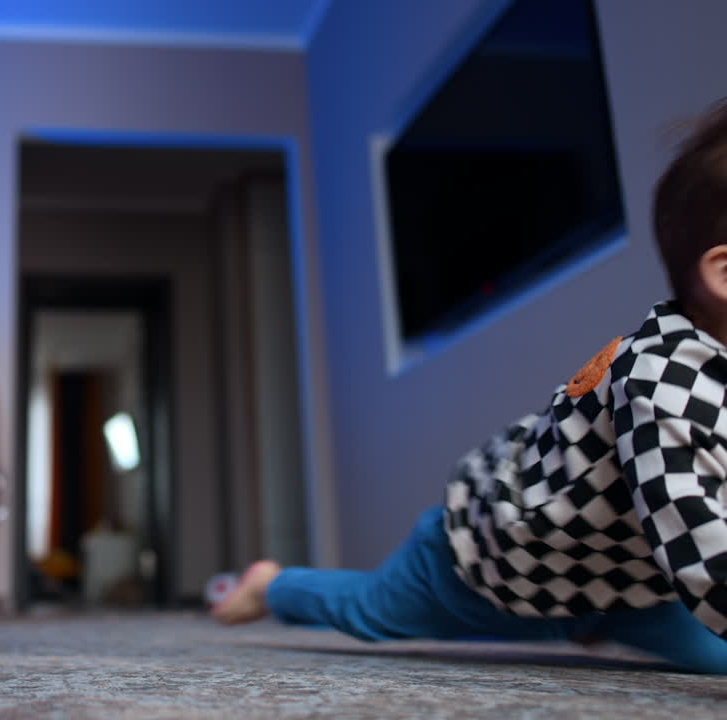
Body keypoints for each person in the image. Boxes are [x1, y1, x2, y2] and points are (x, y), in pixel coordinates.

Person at [212, 97, 727, 674]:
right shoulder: (665, 381)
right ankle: (272, 585)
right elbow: (706, 551)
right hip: (493, 565)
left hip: (629, 590)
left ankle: (591, 624)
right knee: (369, 611)